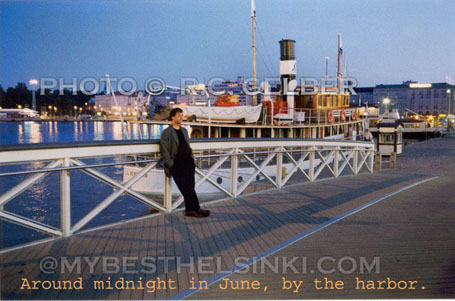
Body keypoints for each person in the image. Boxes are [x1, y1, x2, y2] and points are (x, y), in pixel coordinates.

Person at [160, 108, 210, 218]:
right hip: (176, 164)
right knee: (185, 188)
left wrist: (192, 159)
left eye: (182, 115)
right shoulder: (167, 133)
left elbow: (188, 146)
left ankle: (192, 210)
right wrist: (171, 165)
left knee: (190, 187)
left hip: (188, 162)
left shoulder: (184, 131)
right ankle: (195, 209)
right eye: (178, 115)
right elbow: (164, 151)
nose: (181, 118)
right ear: (172, 117)